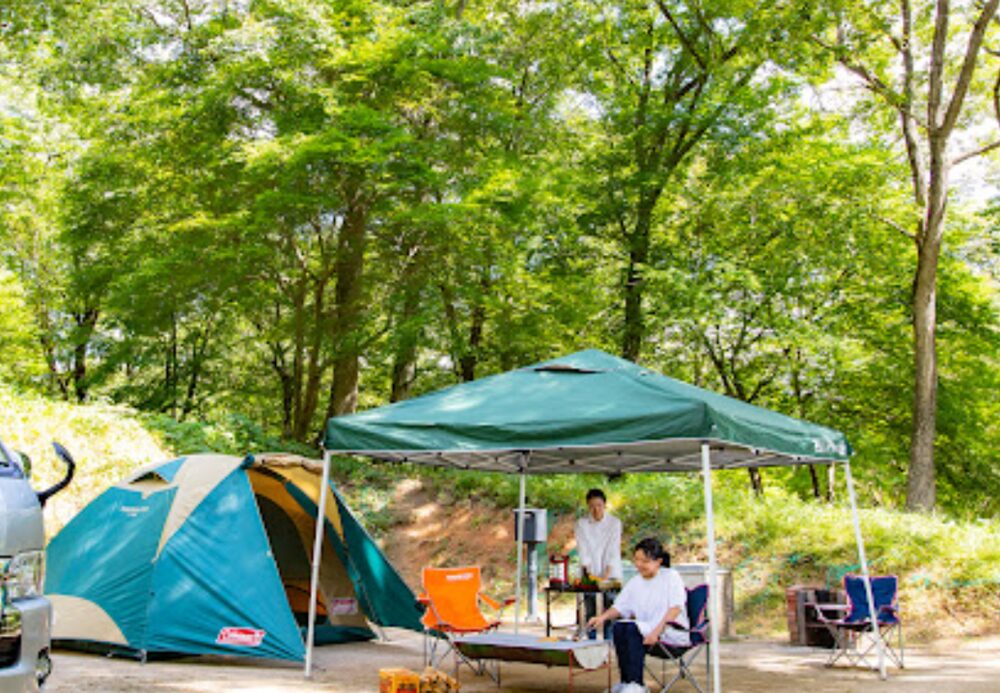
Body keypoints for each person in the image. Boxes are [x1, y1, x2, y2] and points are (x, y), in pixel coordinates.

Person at [586, 537, 688, 693]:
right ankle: (626, 681)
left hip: (670, 632)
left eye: (645, 561)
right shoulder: (635, 582)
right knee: (620, 627)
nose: (639, 565)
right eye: (637, 560)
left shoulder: (671, 577)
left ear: (659, 561)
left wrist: (656, 632)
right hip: (645, 631)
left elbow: (675, 609)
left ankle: (637, 684)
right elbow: (620, 606)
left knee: (633, 630)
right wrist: (602, 617)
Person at [574, 488, 622, 638]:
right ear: (588, 506)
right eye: (592, 506)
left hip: (611, 570)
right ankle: (592, 641)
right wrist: (589, 574)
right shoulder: (582, 524)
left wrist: (607, 574)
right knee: (590, 607)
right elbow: (583, 549)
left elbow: (613, 548)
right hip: (590, 571)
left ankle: (609, 642)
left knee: (610, 607)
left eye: (599, 505)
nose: (596, 510)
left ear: (605, 505)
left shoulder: (614, 523)